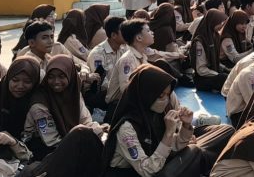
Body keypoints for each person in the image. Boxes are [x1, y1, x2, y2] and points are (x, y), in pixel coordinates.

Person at [103, 64, 234, 177]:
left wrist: (186, 126)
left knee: (227, 131)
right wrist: (168, 133)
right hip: (139, 173)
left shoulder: (155, 112)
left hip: (161, 162)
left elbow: (174, 146)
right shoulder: (127, 127)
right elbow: (147, 170)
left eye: (168, 95)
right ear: (146, 95)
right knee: (194, 151)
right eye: (161, 96)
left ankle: (202, 161)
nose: (166, 100)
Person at [22, 55, 107, 160]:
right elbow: (52, 141)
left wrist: (96, 130)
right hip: (44, 149)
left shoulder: (73, 92)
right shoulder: (39, 104)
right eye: (51, 77)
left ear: (70, 75)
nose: (56, 81)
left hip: (70, 141)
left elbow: (85, 121)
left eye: (61, 76)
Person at [87, 16, 127, 106]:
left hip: (117, 91)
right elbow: (102, 83)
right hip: (101, 95)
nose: (128, 33)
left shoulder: (123, 48)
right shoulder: (98, 54)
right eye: (124, 31)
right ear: (113, 35)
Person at [190, 9, 230, 92]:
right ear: (212, 22)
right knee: (224, 78)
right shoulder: (200, 41)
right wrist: (218, 75)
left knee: (232, 74)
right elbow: (201, 69)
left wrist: (226, 69)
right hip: (202, 79)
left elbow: (215, 61)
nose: (221, 25)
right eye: (220, 23)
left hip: (213, 73)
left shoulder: (215, 35)